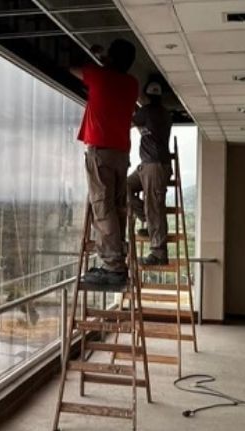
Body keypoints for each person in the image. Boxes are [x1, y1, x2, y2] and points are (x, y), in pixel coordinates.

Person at [71, 39, 139, 285]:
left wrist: (99, 57)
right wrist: (106, 58)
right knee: (117, 206)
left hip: (101, 152)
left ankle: (113, 267)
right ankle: (117, 258)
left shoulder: (99, 76)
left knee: (103, 207)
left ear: (111, 58)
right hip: (121, 153)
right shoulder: (132, 84)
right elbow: (109, 71)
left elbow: (74, 68)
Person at [128, 81, 173, 266]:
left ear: (145, 96)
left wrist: (130, 104)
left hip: (154, 165)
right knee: (125, 188)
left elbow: (131, 122)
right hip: (150, 164)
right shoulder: (164, 113)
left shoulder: (147, 111)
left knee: (155, 206)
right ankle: (146, 219)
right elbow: (142, 125)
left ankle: (158, 252)